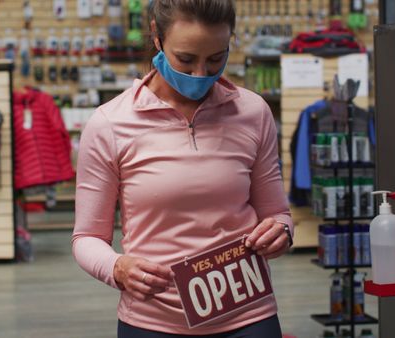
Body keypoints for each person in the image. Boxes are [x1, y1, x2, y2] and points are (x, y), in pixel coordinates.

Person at [71, 1, 293, 337]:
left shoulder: (253, 112)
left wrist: (281, 231)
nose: (201, 75)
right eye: (186, 60)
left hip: (249, 315)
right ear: (156, 37)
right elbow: (87, 237)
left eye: (216, 59)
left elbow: (277, 213)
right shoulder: (110, 125)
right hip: (154, 320)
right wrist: (116, 267)